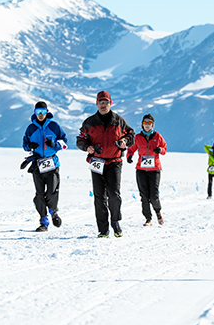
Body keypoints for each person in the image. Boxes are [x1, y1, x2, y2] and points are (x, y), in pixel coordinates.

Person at [76, 91, 134, 238]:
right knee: (99, 196)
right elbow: (80, 140)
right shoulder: (89, 122)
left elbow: (131, 134)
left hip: (114, 162)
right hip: (97, 163)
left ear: (110, 103)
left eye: (106, 102)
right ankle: (103, 229)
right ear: (96, 103)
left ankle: (115, 221)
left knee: (114, 195)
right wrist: (86, 147)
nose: (103, 105)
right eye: (101, 102)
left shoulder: (118, 121)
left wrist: (124, 142)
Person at [22, 101, 68, 232]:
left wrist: (54, 144)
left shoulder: (54, 126)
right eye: (38, 112)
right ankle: (44, 221)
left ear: (47, 112)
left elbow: (65, 142)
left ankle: (53, 212)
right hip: (37, 164)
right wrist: (29, 146)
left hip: (52, 164)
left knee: (52, 192)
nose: (40, 115)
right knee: (39, 194)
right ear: (35, 113)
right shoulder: (31, 128)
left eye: (43, 112)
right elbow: (24, 144)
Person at [127, 114, 167, 226]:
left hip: (155, 170)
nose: (147, 125)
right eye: (145, 123)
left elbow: (165, 148)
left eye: (149, 123)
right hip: (141, 170)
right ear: (142, 124)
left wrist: (160, 150)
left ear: (153, 125)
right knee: (144, 195)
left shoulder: (158, 136)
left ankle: (158, 213)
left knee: (153, 195)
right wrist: (129, 156)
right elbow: (131, 149)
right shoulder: (138, 137)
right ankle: (148, 218)